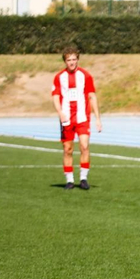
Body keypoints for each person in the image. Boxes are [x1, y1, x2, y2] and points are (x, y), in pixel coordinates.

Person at [51, 48, 101, 190]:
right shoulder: (59, 77)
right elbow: (55, 96)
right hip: (66, 118)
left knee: (84, 146)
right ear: (65, 61)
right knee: (68, 149)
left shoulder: (86, 76)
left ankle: (84, 178)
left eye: (74, 59)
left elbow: (92, 96)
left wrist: (97, 118)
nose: (72, 62)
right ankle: (70, 180)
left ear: (77, 59)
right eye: (69, 60)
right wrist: (60, 112)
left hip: (82, 117)